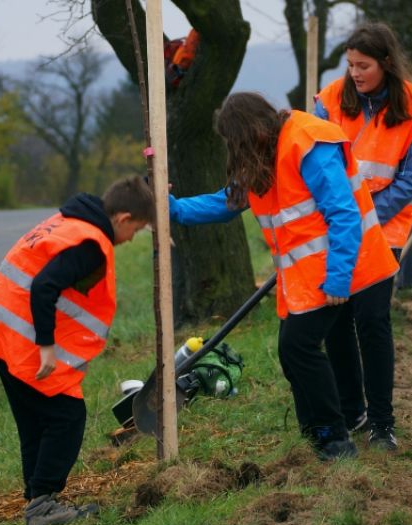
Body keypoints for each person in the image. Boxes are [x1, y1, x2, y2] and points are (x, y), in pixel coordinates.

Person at [170, 92, 399, 461]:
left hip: (343, 269)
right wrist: (174, 210)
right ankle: (316, 434)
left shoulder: (308, 143)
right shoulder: (264, 155)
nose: (234, 151)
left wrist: (339, 279)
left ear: (252, 131)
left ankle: (335, 439)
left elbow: (344, 214)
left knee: (300, 348)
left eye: (235, 142)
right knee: (292, 352)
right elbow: (225, 201)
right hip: (307, 277)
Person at [0, 176, 154, 525]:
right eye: (139, 229)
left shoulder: (73, 221)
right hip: (24, 339)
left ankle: (36, 500)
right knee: (67, 417)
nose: (132, 238)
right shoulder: (90, 244)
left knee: (34, 421)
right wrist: (47, 346)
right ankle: (43, 505)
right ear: (124, 218)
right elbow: (44, 286)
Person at [314, 22, 412, 450]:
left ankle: (383, 423)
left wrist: (363, 217)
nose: (355, 73)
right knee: (337, 321)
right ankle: (353, 412)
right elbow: (313, 160)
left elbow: (410, 182)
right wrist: (343, 218)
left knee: (372, 320)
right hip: (336, 226)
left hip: (386, 228)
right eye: (350, 65)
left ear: (386, 62)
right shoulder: (329, 100)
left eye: (363, 65)